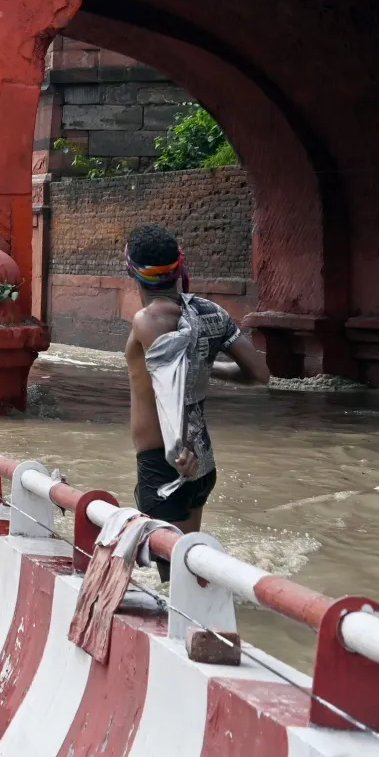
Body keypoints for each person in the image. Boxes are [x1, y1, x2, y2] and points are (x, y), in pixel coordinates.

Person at [123, 224, 270, 575]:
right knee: (184, 563)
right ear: (179, 266)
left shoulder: (149, 319)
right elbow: (260, 374)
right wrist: (206, 365)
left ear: (131, 270)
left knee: (168, 572)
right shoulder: (210, 312)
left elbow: (169, 389)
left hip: (168, 461)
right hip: (202, 462)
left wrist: (178, 447)